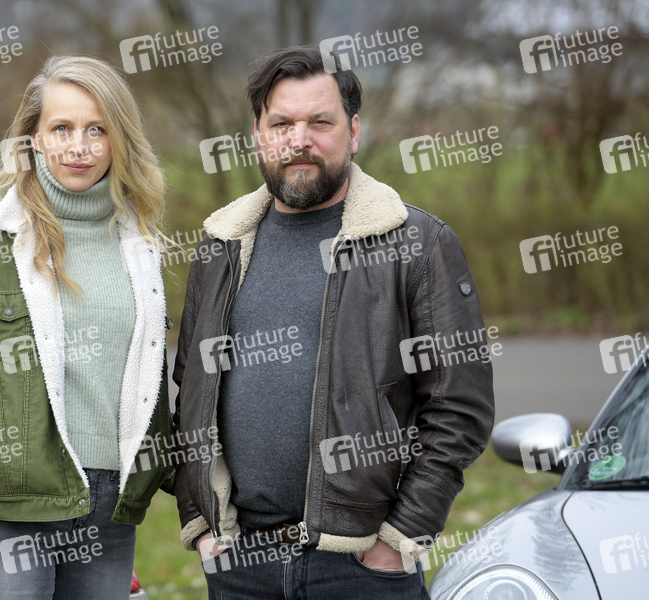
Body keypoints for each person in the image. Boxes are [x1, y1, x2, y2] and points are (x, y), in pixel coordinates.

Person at [172, 45, 495, 599]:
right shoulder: (220, 246)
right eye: (281, 124)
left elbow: (459, 408)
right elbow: (191, 395)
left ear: (354, 130)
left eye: (320, 122)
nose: (299, 139)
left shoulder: (416, 244)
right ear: (257, 134)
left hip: (361, 566)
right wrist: (201, 523)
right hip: (241, 564)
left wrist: (400, 537)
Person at [0, 55, 173, 600]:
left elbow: (152, 376)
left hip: (110, 508)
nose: (79, 147)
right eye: (62, 128)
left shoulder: (142, 247)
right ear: (33, 139)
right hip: (9, 504)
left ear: (120, 139)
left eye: (98, 130)